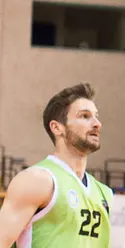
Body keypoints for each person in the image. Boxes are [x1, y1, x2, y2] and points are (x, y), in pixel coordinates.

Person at [0, 83, 112, 247]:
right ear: (57, 127)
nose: (97, 123)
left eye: (96, 116)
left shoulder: (104, 193)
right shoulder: (36, 181)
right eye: (85, 116)